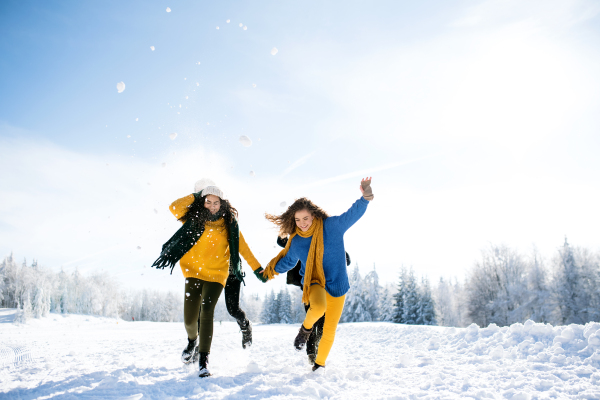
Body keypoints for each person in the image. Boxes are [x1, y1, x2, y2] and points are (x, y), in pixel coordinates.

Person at [152, 179, 267, 377]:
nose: (213, 206)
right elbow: (174, 206)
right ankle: (191, 342)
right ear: (202, 202)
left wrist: (258, 269)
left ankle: (204, 362)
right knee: (190, 319)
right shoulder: (193, 218)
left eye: (217, 202)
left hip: (217, 275)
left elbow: (244, 248)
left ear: (223, 203)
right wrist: (198, 195)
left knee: (206, 311)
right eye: (208, 202)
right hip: (193, 273)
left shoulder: (229, 224)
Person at [263, 178, 374, 371]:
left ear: (314, 215)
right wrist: (269, 272)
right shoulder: (297, 241)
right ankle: (305, 330)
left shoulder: (332, 226)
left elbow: (353, 214)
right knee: (318, 308)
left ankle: (319, 366)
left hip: (338, 284)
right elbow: (288, 262)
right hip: (315, 282)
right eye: (297, 220)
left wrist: (365, 196)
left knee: (329, 329)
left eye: (305, 218)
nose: (302, 223)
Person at [277, 236, 352, 365]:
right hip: (308, 285)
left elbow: (345, 258)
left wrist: (342, 256)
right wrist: (283, 233)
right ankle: (311, 353)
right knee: (313, 317)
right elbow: (282, 242)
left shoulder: (326, 237)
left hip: (326, 286)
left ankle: (315, 351)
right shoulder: (300, 239)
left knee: (322, 322)